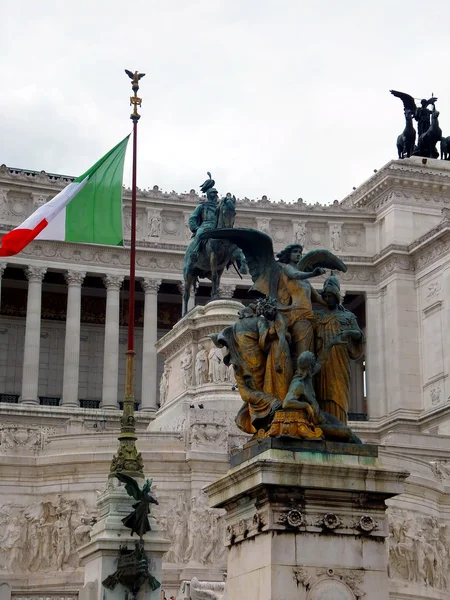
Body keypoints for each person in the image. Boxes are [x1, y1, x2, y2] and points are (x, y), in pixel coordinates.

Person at [314, 274, 364, 424]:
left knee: (338, 390)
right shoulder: (317, 316)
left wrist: (348, 332)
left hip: (340, 357)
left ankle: (340, 424)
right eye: (326, 296)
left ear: (336, 296)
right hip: (323, 357)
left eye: (330, 296)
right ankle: (324, 424)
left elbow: (358, 334)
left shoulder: (348, 316)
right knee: (322, 391)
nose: (328, 299)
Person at [276, 244, 326, 364]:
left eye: (300, 252)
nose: (298, 254)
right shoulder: (287, 269)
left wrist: (335, 301)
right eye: (295, 252)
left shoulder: (306, 281)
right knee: (303, 351)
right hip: (297, 314)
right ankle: (300, 375)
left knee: (313, 348)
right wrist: (312, 273)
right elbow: (295, 274)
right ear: (289, 255)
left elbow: (318, 297)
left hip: (309, 315)